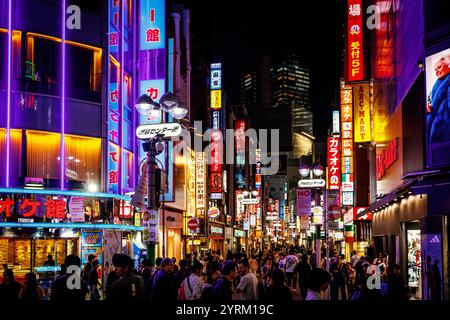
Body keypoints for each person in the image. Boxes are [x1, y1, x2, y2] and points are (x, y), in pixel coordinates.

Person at [427, 54, 450, 144]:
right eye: (435, 70)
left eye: (439, 67)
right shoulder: (435, 86)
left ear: (448, 65)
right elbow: (432, 105)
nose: (437, 71)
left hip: (445, 132)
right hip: (435, 133)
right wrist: (428, 109)